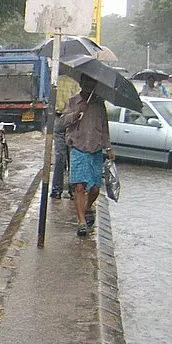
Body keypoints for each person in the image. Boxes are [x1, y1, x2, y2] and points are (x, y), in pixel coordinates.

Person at [61, 76, 114, 237]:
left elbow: (104, 127)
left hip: (95, 150)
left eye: (92, 84)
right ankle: (81, 222)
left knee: (95, 188)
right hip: (78, 148)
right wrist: (78, 112)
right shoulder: (73, 102)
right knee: (79, 187)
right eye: (86, 83)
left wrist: (109, 147)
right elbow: (63, 122)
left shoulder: (99, 104)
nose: (89, 86)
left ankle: (87, 206)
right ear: (81, 84)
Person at [51, 75, 80, 199]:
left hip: (58, 119)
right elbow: (78, 102)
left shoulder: (56, 81)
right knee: (72, 156)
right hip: (71, 120)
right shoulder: (75, 82)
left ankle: (56, 190)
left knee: (59, 156)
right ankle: (73, 191)